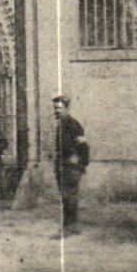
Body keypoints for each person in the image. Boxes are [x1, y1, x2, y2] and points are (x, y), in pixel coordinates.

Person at [52, 94, 89, 230]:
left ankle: (71, 226)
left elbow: (83, 146)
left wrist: (82, 163)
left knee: (69, 196)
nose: (56, 111)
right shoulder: (61, 126)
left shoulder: (73, 125)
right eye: (55, 109)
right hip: (62, 165)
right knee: (65, 196)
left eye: (59, 108)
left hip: (71, 165)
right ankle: (68, 226)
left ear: (67, 109)